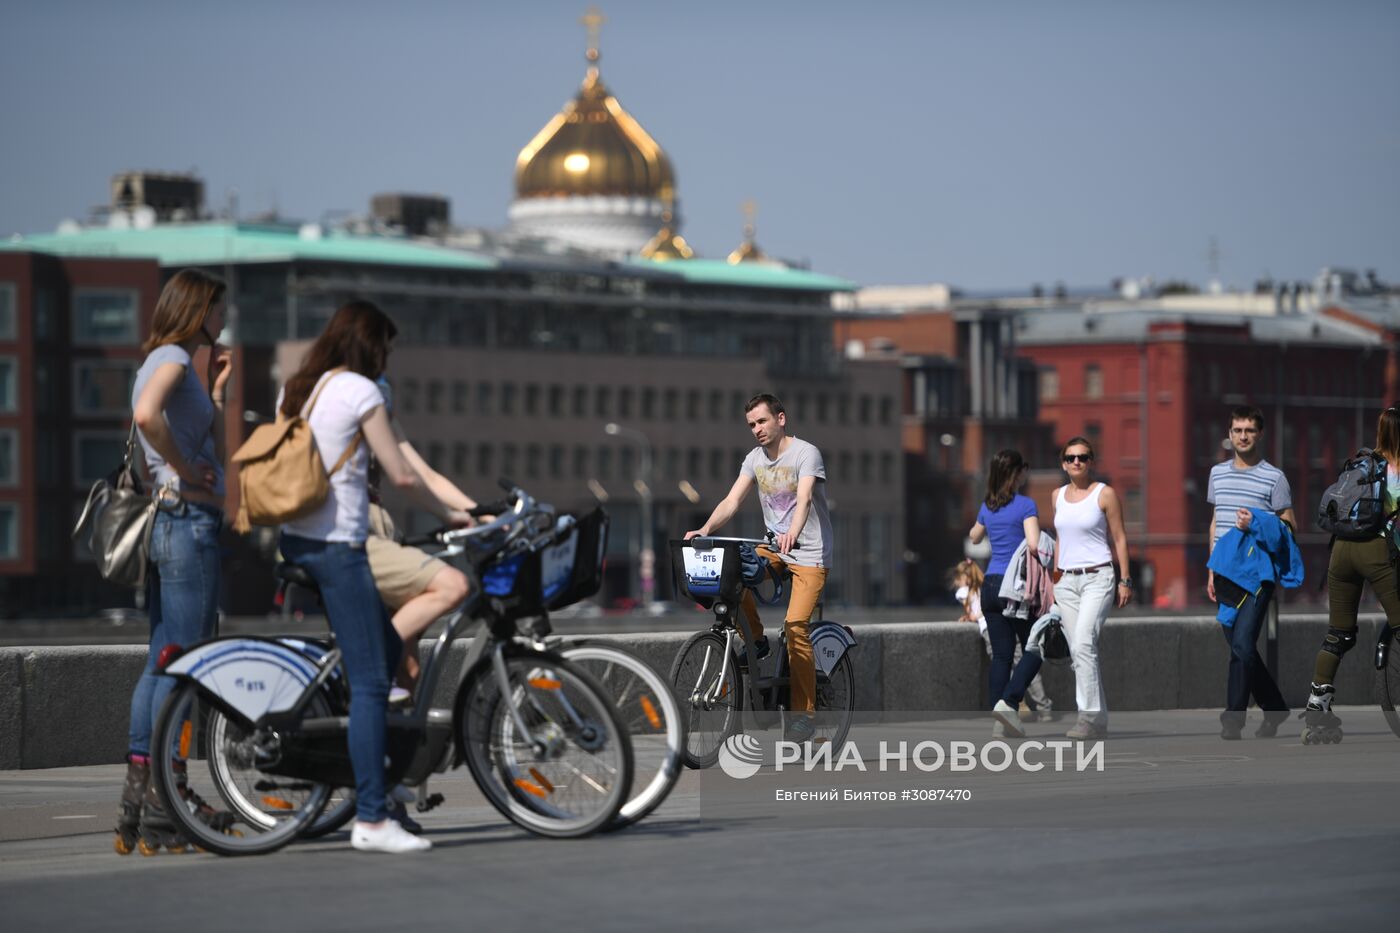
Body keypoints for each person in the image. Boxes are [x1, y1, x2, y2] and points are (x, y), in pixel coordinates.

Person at [277, 300, 472, 854]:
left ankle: (381, 790)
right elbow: (406, 475)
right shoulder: (361, 390)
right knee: (371, 681)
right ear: (368, 345)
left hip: (302, 539)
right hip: (339, 546)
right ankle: (370, 817)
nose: (387, 358)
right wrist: (458, 516)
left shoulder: (302, 389)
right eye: (384, 347)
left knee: (381, 664)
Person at [117, 269, 233, 854]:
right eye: (218, 309)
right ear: (198, 309)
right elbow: (147, 418)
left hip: (169, 524)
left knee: (160, 666)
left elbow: (171, 424)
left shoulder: (168, 360)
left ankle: (139, 803)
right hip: (187, 525)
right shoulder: (173, 359)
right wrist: (188, 473)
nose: (223, 320)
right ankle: (170, 800)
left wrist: (215, 396)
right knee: (186, 667)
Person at [685, 394, 833, 743]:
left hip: (810, 552)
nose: (757, 429)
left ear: (781, 418)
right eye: (751, 424)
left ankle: (804, 717)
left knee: (797, 626)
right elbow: (732, 500)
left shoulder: (806, 453)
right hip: (774, 548)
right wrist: (705, 530)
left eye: (762, 421)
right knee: (731, 577)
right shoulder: (754, 459)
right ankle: (756, 639)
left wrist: (793, 534)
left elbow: (806, 497)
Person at [363, 377, 476, 706]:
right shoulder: (346, 393)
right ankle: (365, 666)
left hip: (382, 526)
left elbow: (425, 475)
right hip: (356, 527)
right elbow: (407, 476)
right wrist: (453, 514)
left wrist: (482, 514)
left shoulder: (377, 391)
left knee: (409, 669)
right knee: (448, 587)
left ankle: (404, 753)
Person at [1301, 407, 1400, 742]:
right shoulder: (1397, 469)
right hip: (1376, 550)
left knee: (1339, 634)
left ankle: (1318, 705)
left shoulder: (1362, 462)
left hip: (1341, 551)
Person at [1206, 405, 1294, 740]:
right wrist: (1210, 568)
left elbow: (1289, 524)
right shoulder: (1217, 474)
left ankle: (1232, 719)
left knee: (1242, 643)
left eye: (1249, 431)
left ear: (1260, 434)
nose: (1243, 436)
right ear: (1229, 435)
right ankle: (1275, 707)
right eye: (1237, 430)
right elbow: (1216, 522)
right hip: (1225, 571)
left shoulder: (1274, 477)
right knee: (1241, 648)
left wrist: (1256, 522)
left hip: (1258, 574)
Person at [1051, 437, 1131, 740]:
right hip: (1066, 582)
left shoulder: (1104, 494)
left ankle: (1088, 717)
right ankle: (1099, 718)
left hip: (1098, 577)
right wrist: (1055, 578)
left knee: (1083, 643)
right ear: (1063, 463)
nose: (1076, 463)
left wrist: (1125, 579)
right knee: (1080, 649)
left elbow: (1119, 538)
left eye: (1083, 457)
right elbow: (1059, 538)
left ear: (1091, 462)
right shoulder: (1056, 495)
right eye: (1070, 458)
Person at [969, 449, 1044, 738]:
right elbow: (1035, 544)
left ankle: (1001, 721)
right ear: (1016, 473)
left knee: (1001, 655)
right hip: (1015, 587)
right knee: (1036, 646)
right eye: (1023, 469)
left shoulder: (988, 506)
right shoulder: (1026, 505)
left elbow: (974, 535)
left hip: (989, 586)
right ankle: (1009, 701)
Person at [951, 558, 1053, 720]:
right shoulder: (987, 584)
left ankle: (1012, 706)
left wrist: (969, 616)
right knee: (1027, 661)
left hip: (991, 627)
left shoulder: (967, 591)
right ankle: (1044, 707)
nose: (956, 583)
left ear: (965, 578)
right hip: (1013, 607)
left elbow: (974, 612)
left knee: (1002, 661)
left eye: (958, 580)